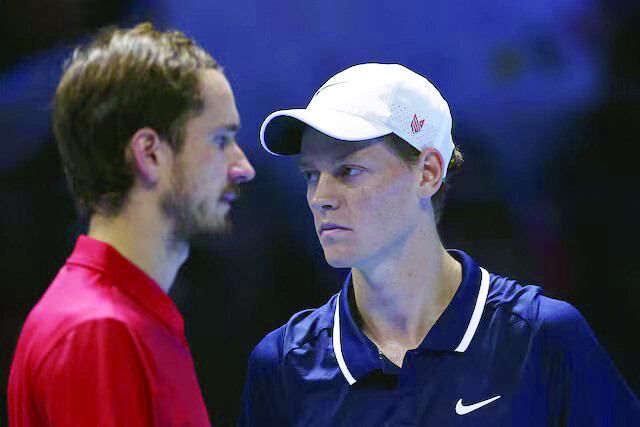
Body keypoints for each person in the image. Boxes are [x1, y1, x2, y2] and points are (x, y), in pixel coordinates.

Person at [241, 63, 639, 425]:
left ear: (429, 173)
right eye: (311, 175)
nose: (320, 196)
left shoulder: (543, 337)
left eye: (349, 170)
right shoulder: (282, 365)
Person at [8, 23, 255, 426]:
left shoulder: (121, 319)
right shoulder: (99, 331)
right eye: (219, 140)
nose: (242, 167)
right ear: (149, 155)